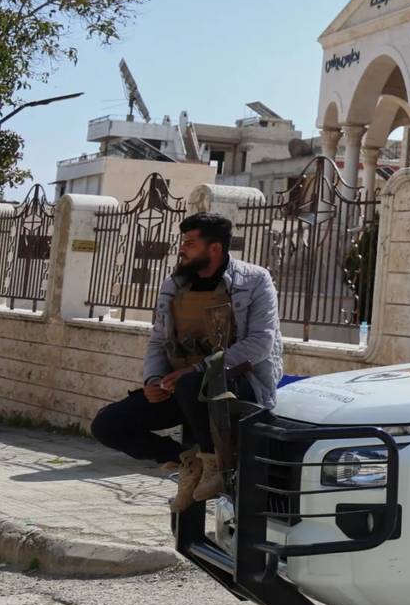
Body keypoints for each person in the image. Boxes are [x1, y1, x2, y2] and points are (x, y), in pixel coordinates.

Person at [90, 211, 283, 509]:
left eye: (191, 243)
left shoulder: (254, 281)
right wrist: (153, 380)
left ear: (214, 248)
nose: (183, 248)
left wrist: (197, 369)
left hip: (237, 385)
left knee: (192, 383)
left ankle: (214, 463)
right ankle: (186, 460)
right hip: (181, 388)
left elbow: (259, 344)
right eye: (184, 242)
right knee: (107, 424)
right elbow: (158, 340)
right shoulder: (174, 285)